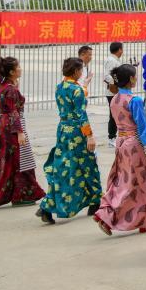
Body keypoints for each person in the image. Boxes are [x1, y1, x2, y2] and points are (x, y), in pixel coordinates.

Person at [0, 57, 45, 208]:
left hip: (5, 125)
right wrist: (20, 132)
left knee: (7, 161)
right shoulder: (10, 89)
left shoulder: (4, 86)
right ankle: (21, 195)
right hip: (13, 126)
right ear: (11, 71)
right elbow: (13, 112)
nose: (20, 69)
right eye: (18, 67)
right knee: (20, 161)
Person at [94, 64, 146, 236]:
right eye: (135, 76)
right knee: (142, 183)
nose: (137, 79)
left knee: (124, 180)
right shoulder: (134, 100)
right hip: (134, 143)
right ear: (131, 79)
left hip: (121, 141)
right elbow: (142, 126)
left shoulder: (115, 99)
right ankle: (108, 217)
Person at [36, 57, 102, 224]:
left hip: (63, 131)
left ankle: (93, 201)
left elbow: (74, 99)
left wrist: (85, 84)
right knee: (86, 166)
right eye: (80, 70)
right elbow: (81, 113)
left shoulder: (61, 87)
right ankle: (51, 205)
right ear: (76, 72)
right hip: (77, 133)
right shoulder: (76, 90)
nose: (82, 72)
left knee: (63, 167)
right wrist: (89, 135)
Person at [102, 41, 124, 148]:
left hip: (116, 91)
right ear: (119, 49)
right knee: (113, 115)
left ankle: (115, 136)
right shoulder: (111, 60)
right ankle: (111, 138)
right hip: (112, 92)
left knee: (117, 115)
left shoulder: (115, 60)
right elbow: (107, 76)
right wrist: (116, 85)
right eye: (122, 49)